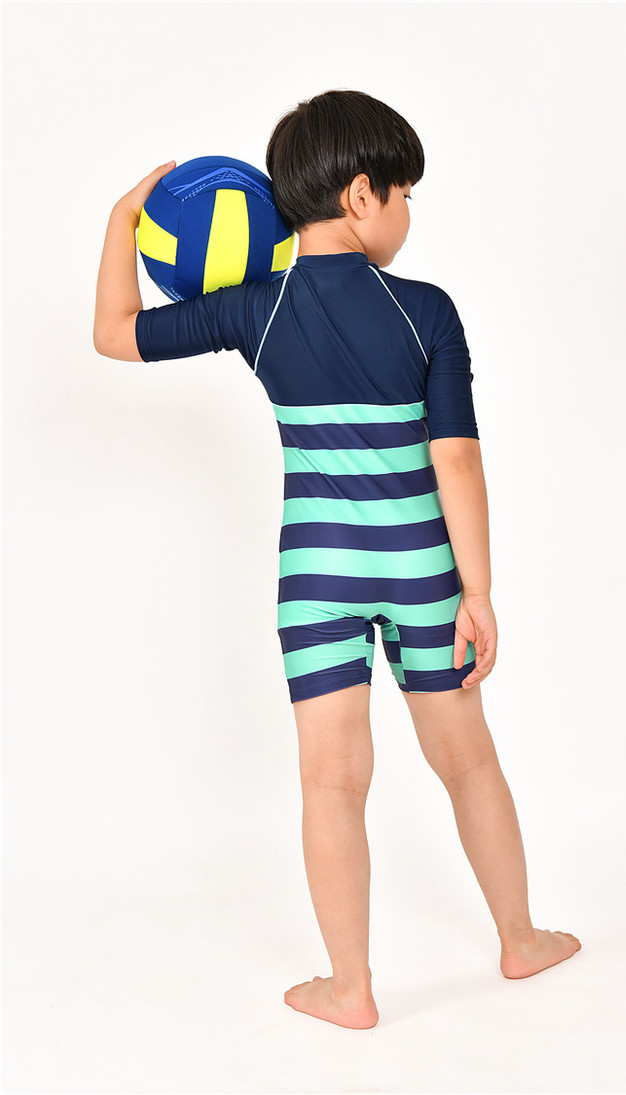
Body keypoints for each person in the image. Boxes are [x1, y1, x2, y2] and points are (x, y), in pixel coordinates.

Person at [93, 88, 581, 1031]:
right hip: (421, 568)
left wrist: (125, 220)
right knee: (468, 762)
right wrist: (477, 591)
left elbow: (114, 332)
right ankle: (521, 939)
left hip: (316, 575)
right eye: (405, 194)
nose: (408, 212)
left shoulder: (256, 311)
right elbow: (457, 459)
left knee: (331, 779)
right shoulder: (427, 311)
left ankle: (349, 987)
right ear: (362, 195)